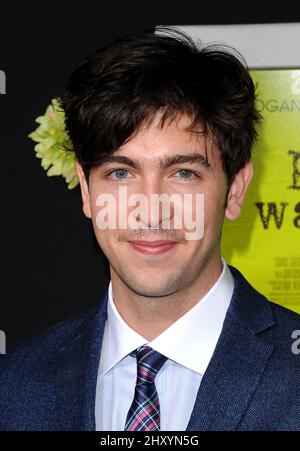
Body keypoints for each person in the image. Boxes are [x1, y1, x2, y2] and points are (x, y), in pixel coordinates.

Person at [0, 27, 299, 432]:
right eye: (121, 172)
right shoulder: (13, 386)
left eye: (184, 173)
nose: (150, 210)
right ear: (87, 191)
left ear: (235, 191)